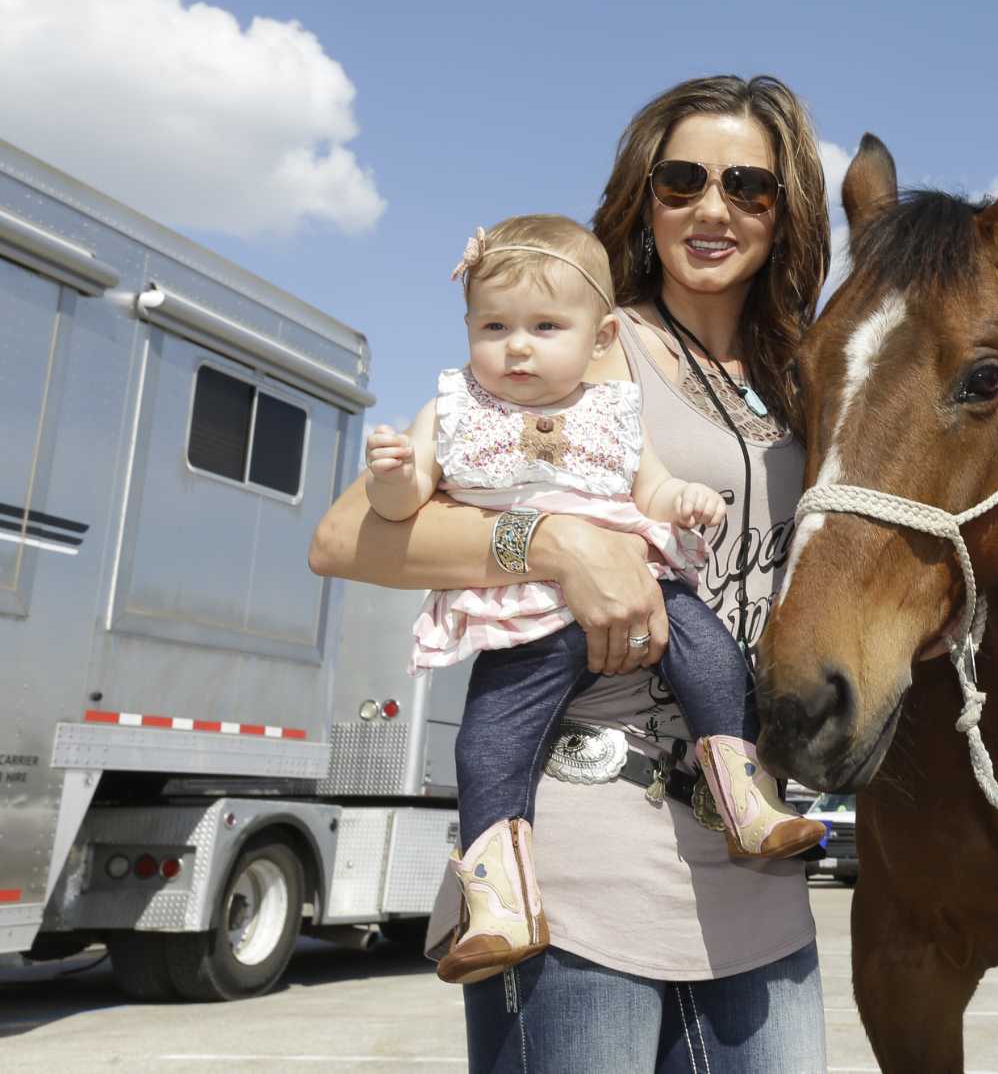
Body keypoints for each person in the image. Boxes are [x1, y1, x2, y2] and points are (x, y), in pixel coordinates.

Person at [311, 75, 833, 1073]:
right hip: (587, 849)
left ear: (786, 209)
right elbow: (344, 539)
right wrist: (553, 543)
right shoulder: (583, 340)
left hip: (751, 862)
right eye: (681, 180)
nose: (712, 208)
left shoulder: (806, 378)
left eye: (746, 186)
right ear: (644, 195)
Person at [361, 213, 824, 985]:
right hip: (523, 618)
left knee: (715, 659)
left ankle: (747, 799)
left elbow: (653, 488)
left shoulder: (613, 409)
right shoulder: (452, 411)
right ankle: (502, 905)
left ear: (599, 336)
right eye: (494, 326)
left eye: (544, 327)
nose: (517, 347)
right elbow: (398, 506)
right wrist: (392, 475)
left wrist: (684, 501)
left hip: (646, 585)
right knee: (488, 744)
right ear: (468, 328)